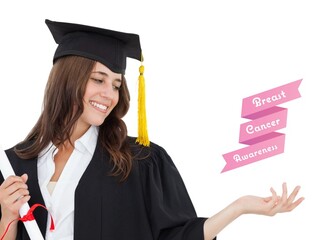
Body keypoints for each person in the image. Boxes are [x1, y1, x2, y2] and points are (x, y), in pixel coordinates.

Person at [0, 19, 304, 240]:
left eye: (116, 84)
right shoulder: (15, 164)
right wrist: (8, 217)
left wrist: (238, 208)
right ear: (68, 80)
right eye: (98, 80)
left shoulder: (138, 161)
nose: (109, 94)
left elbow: (178, 236)